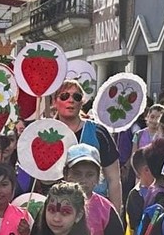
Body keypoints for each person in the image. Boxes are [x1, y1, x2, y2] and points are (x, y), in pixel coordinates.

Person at [52, 80, 122, 215]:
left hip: (96, 210)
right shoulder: (43, 132)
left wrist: (116, 217)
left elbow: (113, 179)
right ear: (55, 102)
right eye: (65, 96)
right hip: (58, 210)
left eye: (76, 97)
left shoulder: (99, 132)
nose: (71, 100)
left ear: (82, 102)